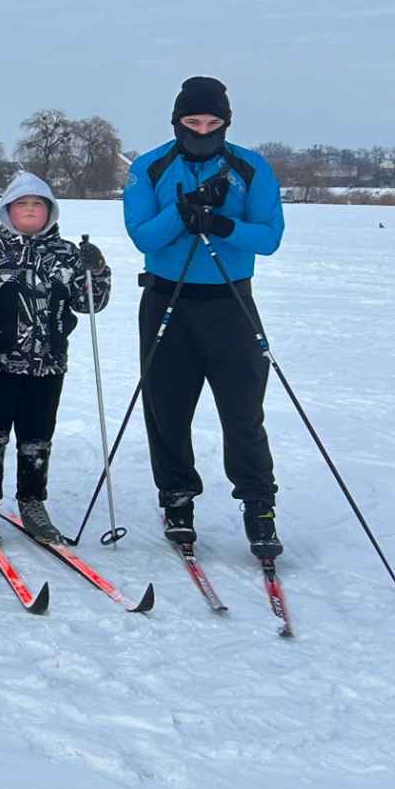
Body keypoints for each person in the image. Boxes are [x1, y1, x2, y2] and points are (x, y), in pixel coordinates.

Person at [122, 76, 286, 558]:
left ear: (226, 123)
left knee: (242, 412)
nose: (202, 130)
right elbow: (145, 238)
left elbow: (269, 237)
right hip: (166, 301)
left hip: (230, 303)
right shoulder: (149, 167)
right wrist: (185, 212)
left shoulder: (250, 167)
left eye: (213, 123)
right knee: (167, 410)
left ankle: (259, 506)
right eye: (193, 122)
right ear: (177, 122)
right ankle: (176, 499)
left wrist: (220, 223)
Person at [0, 173, 110, 544]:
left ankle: (33, 503)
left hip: (47, 363)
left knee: (37, 438)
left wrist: (98, 271)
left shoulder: (68, 253)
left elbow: (91, 304)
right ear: (8, 210)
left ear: (49, 211)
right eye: (22, 204)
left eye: (37, 205)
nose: (29, 210)